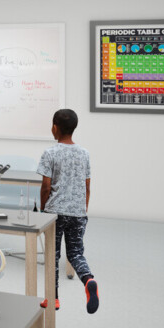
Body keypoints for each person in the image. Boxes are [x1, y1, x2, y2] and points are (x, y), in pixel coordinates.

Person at [37, 108, 98, 313]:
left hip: (55, 212)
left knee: (52, 257)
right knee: (75, 253)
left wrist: (43, 209)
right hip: (78, 212)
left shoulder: (50, 153)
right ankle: (88, 279)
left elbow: (46, 186)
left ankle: (52, 299)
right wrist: (83, 210)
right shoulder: (84, 153)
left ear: (55, 128)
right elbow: (87, 186)